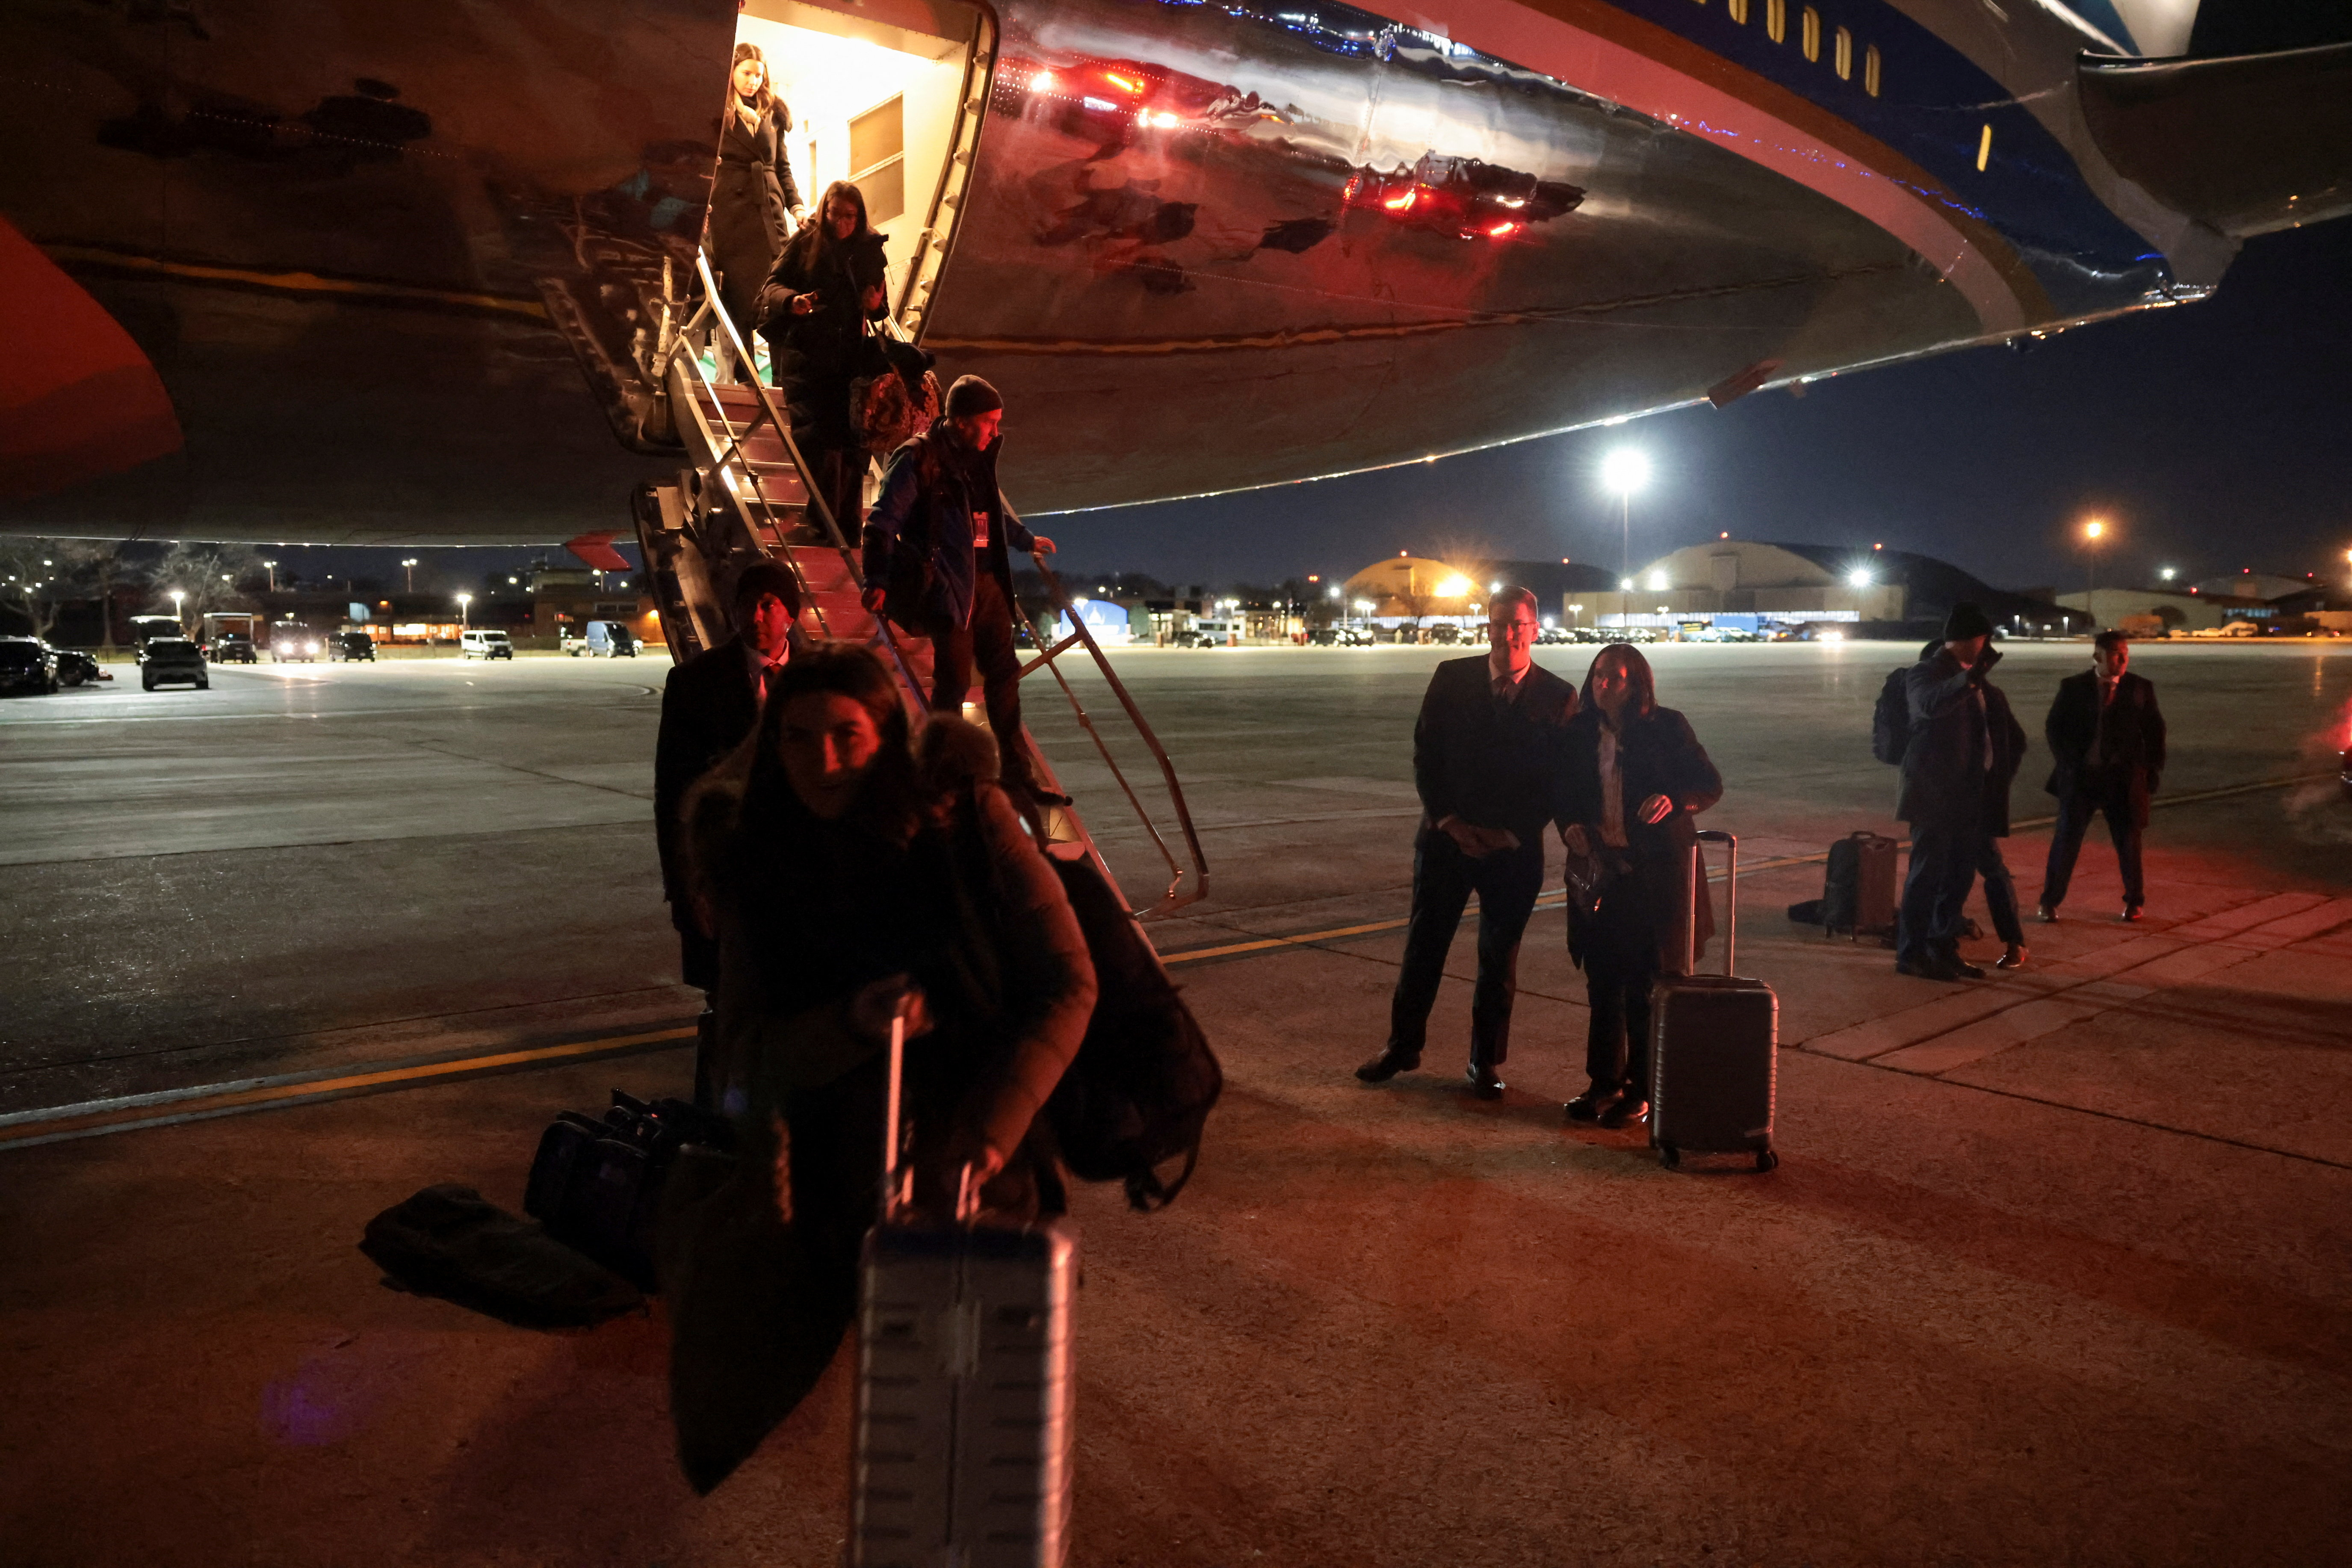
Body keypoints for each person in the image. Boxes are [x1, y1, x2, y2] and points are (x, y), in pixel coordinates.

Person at [673, 644, 1095, 1451]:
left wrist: (985, 1143)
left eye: (847, 734)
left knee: (977, 1430)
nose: (820, 761)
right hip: (838, 1193)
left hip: (976, 1171)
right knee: (897, 1431)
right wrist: (852, 1025)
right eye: (795, 737)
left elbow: (1069, 984)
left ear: (887, 735)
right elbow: (743, 1060)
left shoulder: (967, 826)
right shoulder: (755, 865)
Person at [1355, 588, 1578, 1099]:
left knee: (1499, 960)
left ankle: (1485, 1060)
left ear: (1535, 629)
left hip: (1513, 850)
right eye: (1499, 624)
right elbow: (1425, 756)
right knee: (1423, 949)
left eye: (1517, 625)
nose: (1507, 634)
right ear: (1488, 627)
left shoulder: (1559, 696)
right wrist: (1450, 822)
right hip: (1445, 842)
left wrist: (1513, 833)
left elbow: (1558, 781)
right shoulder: (1451, 678)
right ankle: (1403, 1045)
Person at [859, 374, 1066, 803]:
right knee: (952, 685)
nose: (995, 431)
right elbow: (881, 522)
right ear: (960, 420)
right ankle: (941, 777)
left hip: (988, 585)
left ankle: (1017, 776)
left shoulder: (978, 457)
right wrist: (877, 580)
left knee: (1005, 678)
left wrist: (1025, 540)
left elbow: (990, 515)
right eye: (989, 422)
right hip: (948, 588)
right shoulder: (918, 458)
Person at [1554, 642, 1723, 1128]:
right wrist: (1569, 824)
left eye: (1616, 676)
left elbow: (1708, 784)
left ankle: (1642, 1090)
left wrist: (1673, 798)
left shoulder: (1666, 726)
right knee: (1602, 982)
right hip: (1602, 872)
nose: (1604, 684)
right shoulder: (1579, 731)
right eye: (1598, 675)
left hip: (1655, 874)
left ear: (1638, 684)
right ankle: (1601, 1083)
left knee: (1644, 985)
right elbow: (1563, 792)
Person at [655, 559, 801, 1106]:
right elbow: (673, 796)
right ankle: (721, 1115)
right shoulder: (695, 683)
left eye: (768, 604)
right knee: (730, 1008)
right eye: (746, 603)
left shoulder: (820, 674)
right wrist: (689, 886)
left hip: (799, 881)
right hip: (729, 878)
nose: (754, 615)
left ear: (791, 613)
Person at [756, 180, 890, 540]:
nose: (842, 223)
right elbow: (771, 288)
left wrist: (876, 305)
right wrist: (792, 301)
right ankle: (826, 525)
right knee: (820, 444)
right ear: (824, 211)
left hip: (850, 363)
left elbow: (881, 305)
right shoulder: (804, 243)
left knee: (851, 448)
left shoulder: (869, 249)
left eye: (850, 216)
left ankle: (841, 527)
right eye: (835, 214)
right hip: (809, 359)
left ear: (859, 217)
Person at [1894, 603, 2020, 980]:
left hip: (1968, 795)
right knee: (1926, 876)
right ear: (1967, 640)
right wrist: (1970, 680)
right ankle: (1912, 953)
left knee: (1960, 876)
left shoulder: (1973, 678)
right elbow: (1931, 706)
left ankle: (1942, 946)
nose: (1986, 648)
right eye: (1983, 640)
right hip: (1933, 794)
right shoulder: (1923, 673)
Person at [2039, 630, 2165, 922]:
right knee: (2066, 841)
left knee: (2129, 843)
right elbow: (2054, 727)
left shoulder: (2139, 688)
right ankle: (2050, 900)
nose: (2122, 659)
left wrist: (2152, 769)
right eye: (2115, 654)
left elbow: (2155, 730)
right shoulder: (2073, 687)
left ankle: (2135, 901)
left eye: (2125, 653)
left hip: (2123, 781)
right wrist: (2069, 762)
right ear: (2098, 656)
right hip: (2083, 779)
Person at [708, 41, 803, 377]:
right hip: (730, 212)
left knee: (778, 291)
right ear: (732, 70)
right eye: (746, 73)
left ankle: (782, 380)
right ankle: (747, 380)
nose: (753, 81)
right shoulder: (716, 109)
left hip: (769, 210)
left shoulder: (773, 112)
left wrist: (797, 207)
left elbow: (782, 166)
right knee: (739, 297)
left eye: (759, 75)